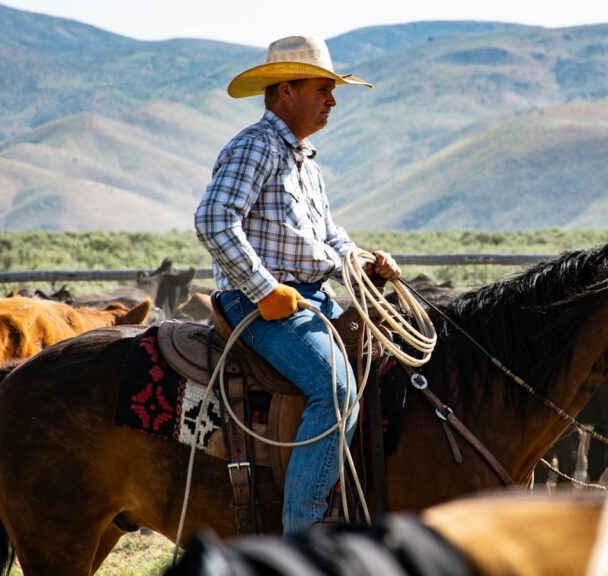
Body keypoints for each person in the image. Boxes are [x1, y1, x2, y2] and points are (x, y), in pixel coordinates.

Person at [195, 35, 402, 536]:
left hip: (309, 298)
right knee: (334, 391)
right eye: (323, 88)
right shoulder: (255, 146)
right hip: (256, 304)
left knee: (390, 365)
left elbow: (329, 236)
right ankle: (301, 539)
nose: (332, 99)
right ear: (286, 90)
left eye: (333, 89)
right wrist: (264, 289)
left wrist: (364, 262)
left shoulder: (306, 162)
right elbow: (214, 220)